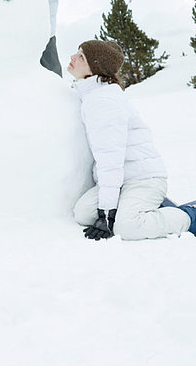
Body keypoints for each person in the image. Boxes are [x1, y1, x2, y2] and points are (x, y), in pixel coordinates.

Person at [67, 40, 196, 241]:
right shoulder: (93, 95)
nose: (72, 58)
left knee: (127, 227)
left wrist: (107, 213)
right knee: (83, 213)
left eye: (81, 57)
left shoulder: (104, 103)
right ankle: (150, 205)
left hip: (143, 179)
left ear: (95, 69)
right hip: (121, 181)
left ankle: (190, 215)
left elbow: (111, 159)